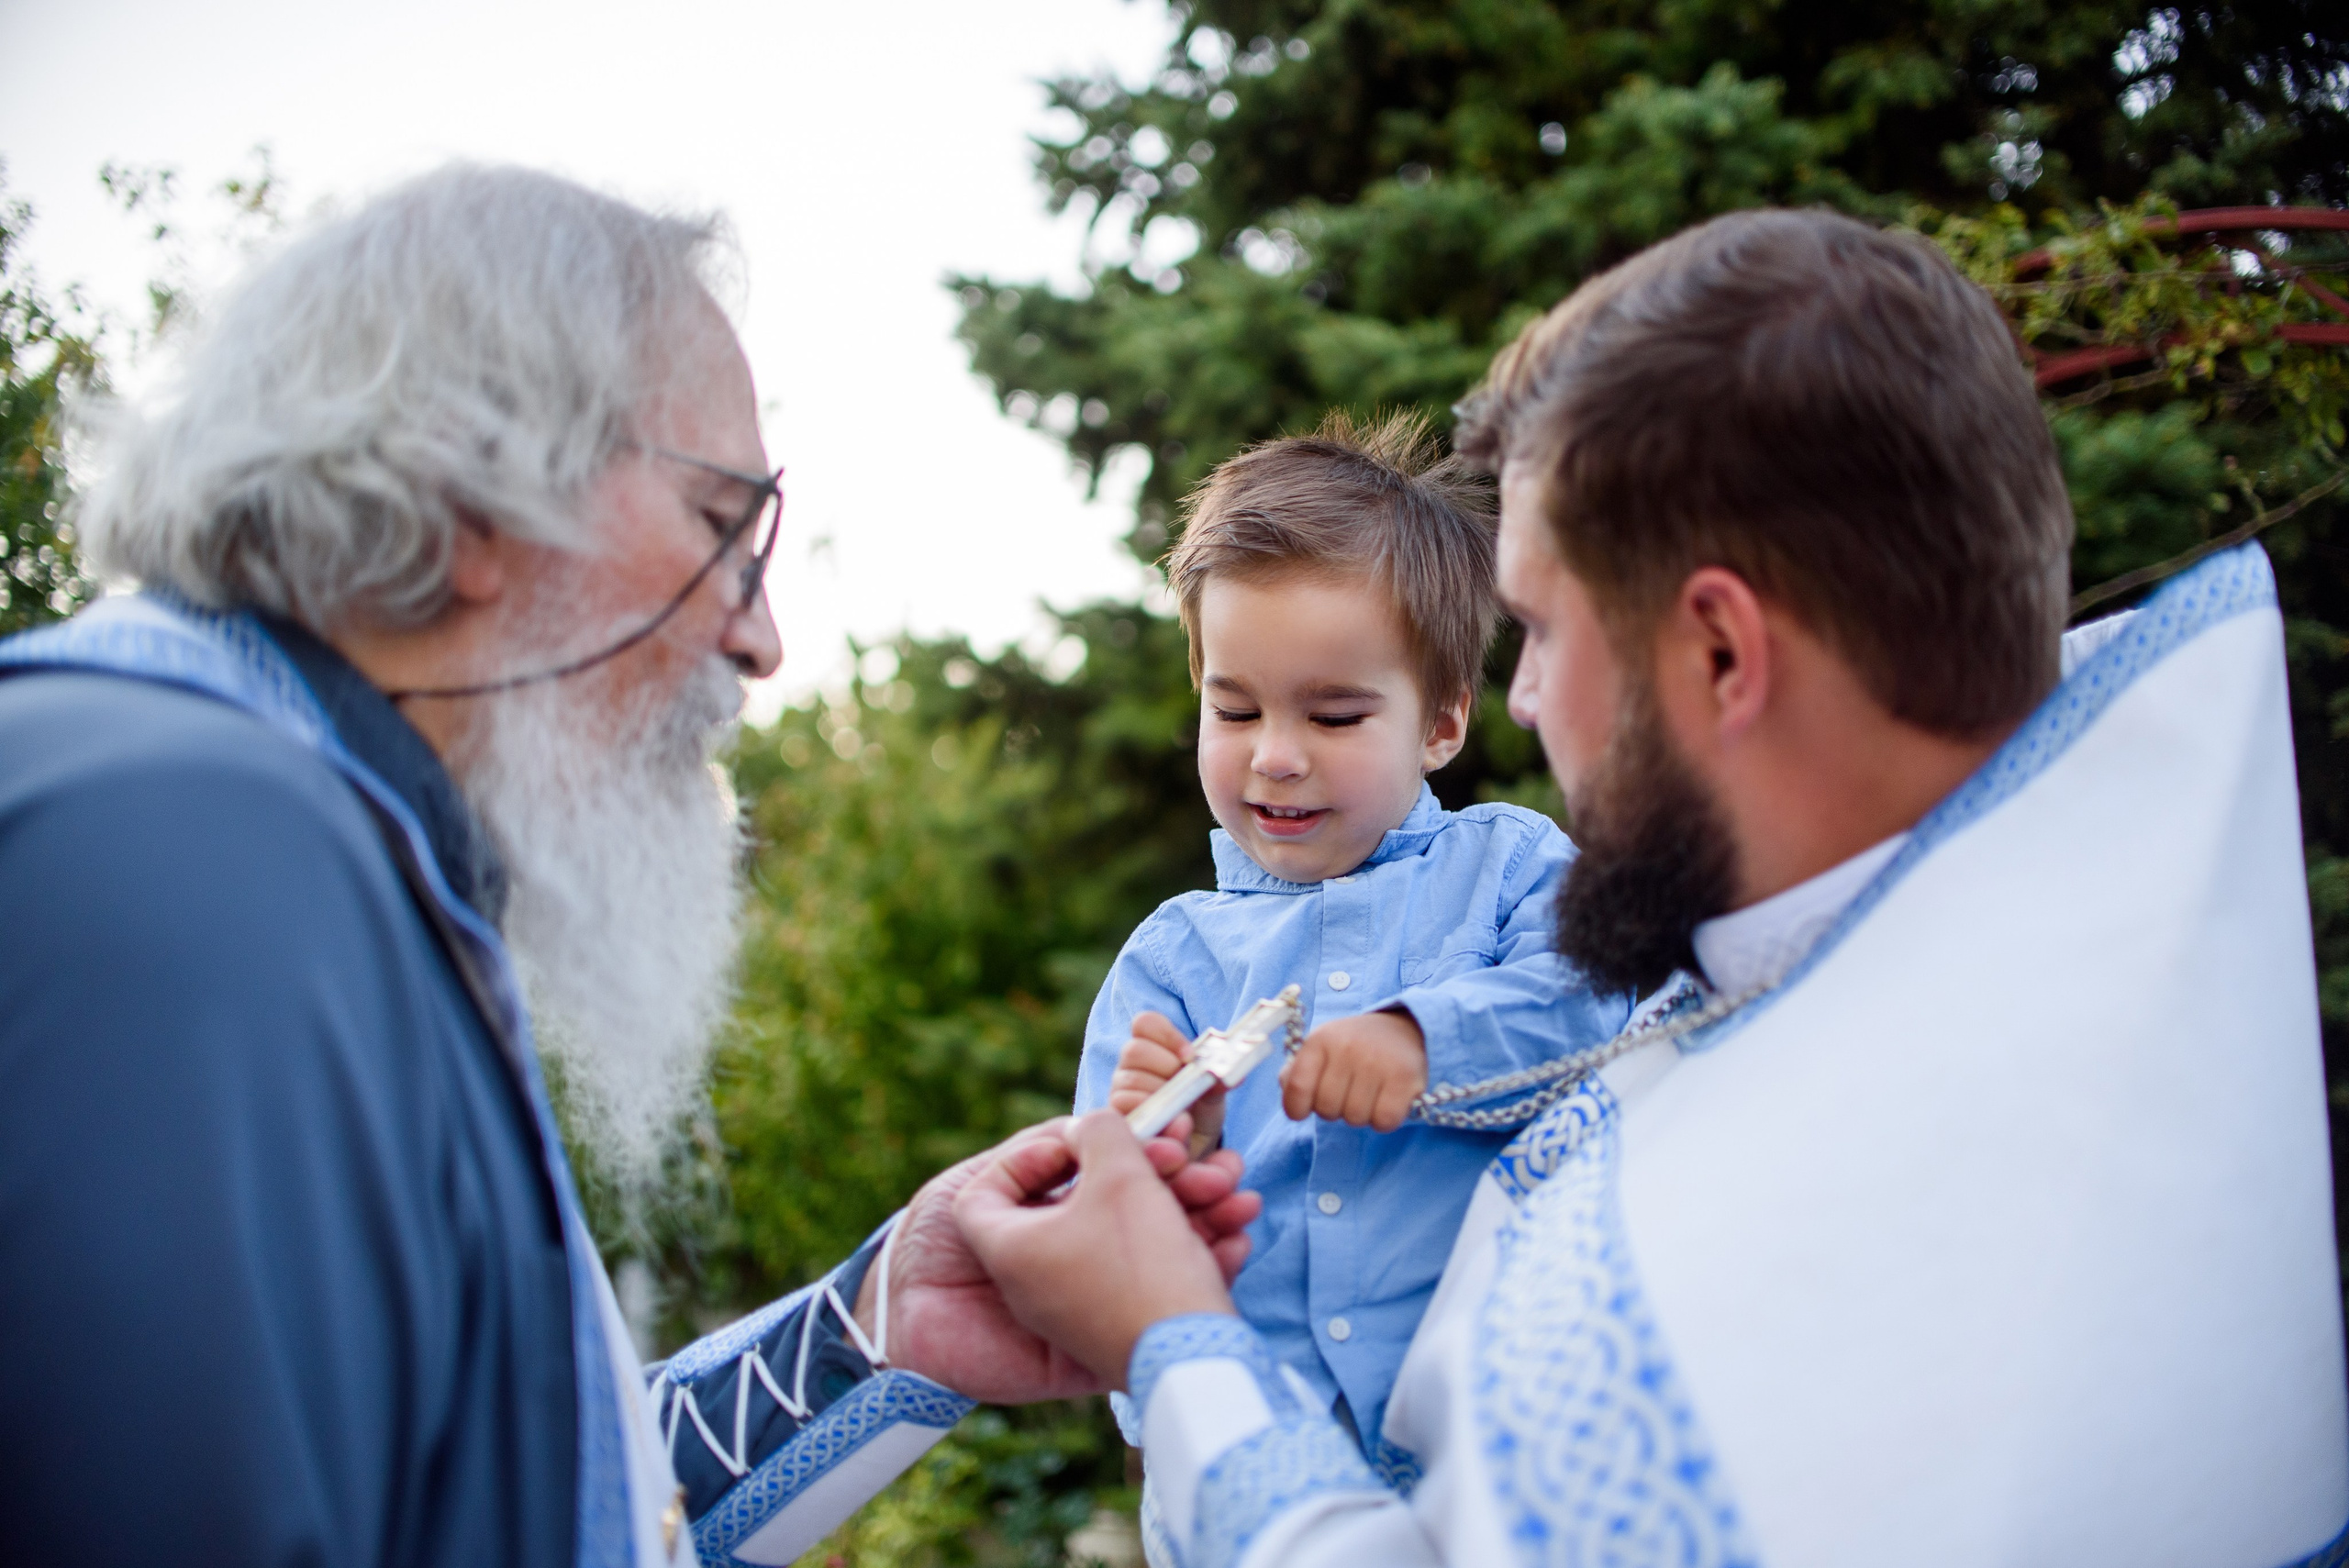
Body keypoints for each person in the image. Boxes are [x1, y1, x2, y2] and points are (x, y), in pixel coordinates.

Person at [956, 207, 2349, 1566]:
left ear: (1723, 657)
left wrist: (1171, 1339)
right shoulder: (1890, 980)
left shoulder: (1900, 1193)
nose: (1526, 701)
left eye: (1547, 630)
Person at [0, 163, 1259, 1568]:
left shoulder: (297, 846)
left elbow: (518, 1503)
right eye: (726, 526)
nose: (765, 637)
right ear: (465, 491)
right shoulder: (182, 850)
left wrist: (889, 1324)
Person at [1074, 412, 1629, 1536]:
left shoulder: (1508, 868)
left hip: (1493, 1473)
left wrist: (1426, 1036)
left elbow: (1607, 996)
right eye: (1234, 708)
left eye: (1333, 713)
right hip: (1261, 1489)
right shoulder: (1171, 960)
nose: (1276, 751)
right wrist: (1157, 1155)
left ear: (1439, 721)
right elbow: (1100, 1252)